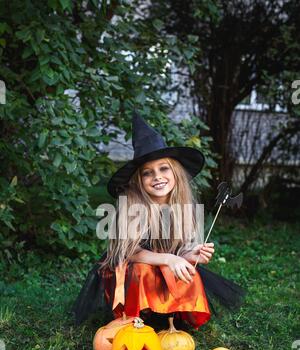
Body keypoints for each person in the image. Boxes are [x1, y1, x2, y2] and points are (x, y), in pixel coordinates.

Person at [71, 111, 246, 329]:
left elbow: (177, 252)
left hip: (161, 267)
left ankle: (168, 317)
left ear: (176, 173)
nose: (157, 177)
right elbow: (130, 253)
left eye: (164, 168)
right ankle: (139, 317)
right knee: (143, 270)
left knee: (186, 271)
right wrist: (169, 259)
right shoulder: (132, 207)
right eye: (147, 173)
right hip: (130, 270)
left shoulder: (183, 207)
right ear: (138, 180)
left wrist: (187, 255)